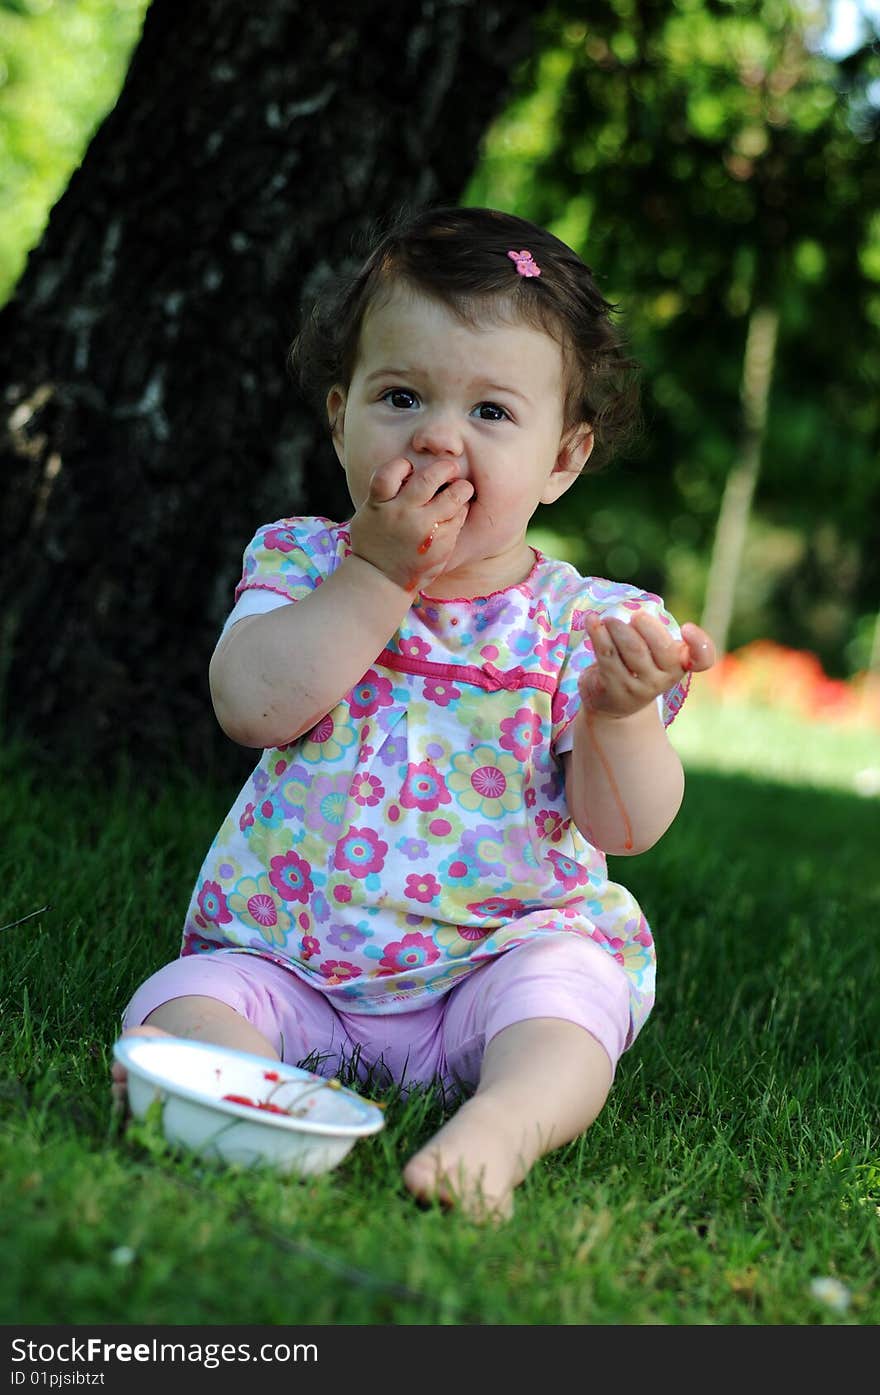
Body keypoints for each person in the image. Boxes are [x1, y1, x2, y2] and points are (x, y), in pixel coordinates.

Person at [113, 205, 715, 1220]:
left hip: (495, 956)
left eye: (490, 413)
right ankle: (268, 1094)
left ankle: (500, 1129)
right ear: (341, 418)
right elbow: (251, 707)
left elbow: (625, 828)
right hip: (289, 955)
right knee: (179, 1006)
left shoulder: (588, 625)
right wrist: (377, 575)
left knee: (570, 1005)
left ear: (561, 462)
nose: (439, 437)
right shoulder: (304, 564)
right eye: (401, 397)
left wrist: (617, 716)